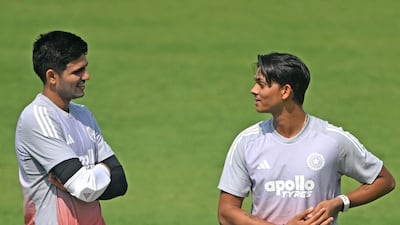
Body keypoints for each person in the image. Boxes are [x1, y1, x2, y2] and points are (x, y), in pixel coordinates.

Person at [217, 52, 395, 225]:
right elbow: (226, 213)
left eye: (261, 84)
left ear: (285, 91)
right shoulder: (247, 142)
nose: (253, 90)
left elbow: (384, 180)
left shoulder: (332, 140)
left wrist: (339, 202)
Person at [15, 30, 128, 225]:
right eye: (77, 71)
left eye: (85, 68)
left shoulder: (84, 115)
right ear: (52, 76)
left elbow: (120, 182)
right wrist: (102, 169)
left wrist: (88, 179)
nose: (87, 76)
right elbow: (85, 187)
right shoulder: (38, 118)